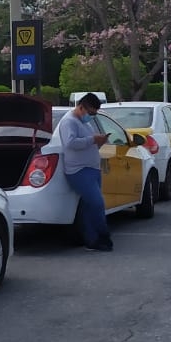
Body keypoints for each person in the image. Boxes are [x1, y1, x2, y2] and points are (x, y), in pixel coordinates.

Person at [57, 93, 112, 252]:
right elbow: (70, 143)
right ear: (81, 107)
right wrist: (93, 140)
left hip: (92, 168)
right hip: (79, 170)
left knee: (88, 206)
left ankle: (91, 239)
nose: (92, 117)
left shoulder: (84, 122)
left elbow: (88, 142)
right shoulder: (69, 122)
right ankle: (102, 236)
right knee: (97, 203)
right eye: (91, 113)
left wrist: (98, 141)